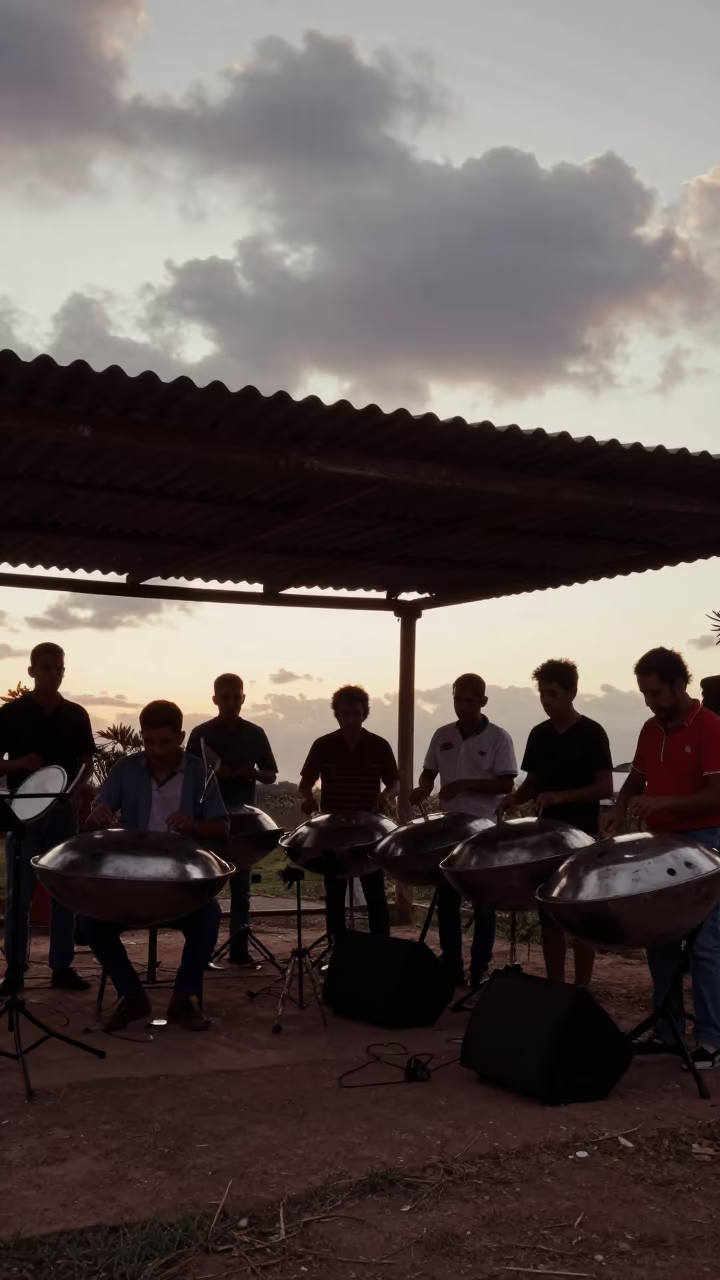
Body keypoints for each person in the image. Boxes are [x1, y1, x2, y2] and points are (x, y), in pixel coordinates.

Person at [601, 647, 720, 1070]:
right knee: (661, 937)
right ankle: (669, 1031)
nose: (650, 701)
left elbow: (716, 794)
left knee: (707, 944)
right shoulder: (651, 729)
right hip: (663, 843)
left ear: (678, 684)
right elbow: (636, 777)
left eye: (655, 692)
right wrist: (619, 806)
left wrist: (664, 801)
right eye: (644, 694)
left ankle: (711, 1039)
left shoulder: (709, 727)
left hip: (708, 843)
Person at [80, 700, 229, 1033]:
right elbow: (96, 819)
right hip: (134, 880)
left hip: (181, 885)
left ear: (181, 736)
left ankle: (182, 1000)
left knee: (208, 917)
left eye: (165, 742)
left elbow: (222, 828)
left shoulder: (199, 773)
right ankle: (132, 996)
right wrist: (96, 818)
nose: (156, 750)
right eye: (149, 741)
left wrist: (193, 825)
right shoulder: (126, 769)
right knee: (90, 922)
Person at [497, 659, 613, 986]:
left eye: (553, 693)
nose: (547, 700)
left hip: (582, 837)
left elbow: (605, 787)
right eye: (542, 694)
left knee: (580, 916)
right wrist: (514, 798)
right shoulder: (539, 735)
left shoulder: (592, 733)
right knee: (549, 915)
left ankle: (582, 989)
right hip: (546, 840)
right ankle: (555, 986)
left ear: (572, 692)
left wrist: (563, 797)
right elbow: (532, 783)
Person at [411, 673, 517, 988]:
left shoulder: (499, 737)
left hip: (483, 830)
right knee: (448, 901)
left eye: (469, 700)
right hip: (449, 830)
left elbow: (506, 783)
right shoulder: (442, 734)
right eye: (458, 699)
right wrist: (422, 788)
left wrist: (464, 784)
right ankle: (452, 965)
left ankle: (479, 968)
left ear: (483, 701)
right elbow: (429, 773)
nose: (462, 706)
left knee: (484, 904)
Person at [0, 642, 95, 996]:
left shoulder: (76, 714)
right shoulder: (10, 714)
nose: (54, 674)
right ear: (31, 671)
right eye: (46, 668)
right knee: (19, 896)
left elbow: (86, 760)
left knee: (63, 893)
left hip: (62, 814)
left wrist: (77, 789)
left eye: (59, 668)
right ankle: (15, 970)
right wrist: (19, 764)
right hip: (22, 817)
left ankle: (62, 967)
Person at [186, 674, 278, 965]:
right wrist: (215, 774)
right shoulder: (200, 733)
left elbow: (271, 773)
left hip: (244, 824)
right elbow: (188, 776)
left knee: (241, 891)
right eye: (224, 697)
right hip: (208, 821)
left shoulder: (255, 733)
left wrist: (251, 773)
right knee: (203, 890)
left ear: (243, 698)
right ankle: (199, 954)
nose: (230, 702)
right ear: (215, 699)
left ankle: (239, 951)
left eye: (235, 697)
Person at [298, 685, 399, 939]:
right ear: (337, 715)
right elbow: (305, 784)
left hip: (368, 829)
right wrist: (308, 799)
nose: (351, 719)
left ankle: (380, 950)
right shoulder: (323, 745)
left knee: (375, 892)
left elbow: (395, 784)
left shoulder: (379, 745)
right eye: (346, 714)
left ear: (365, 714)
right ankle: (337, 950)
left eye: (357, 714)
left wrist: (385, 796)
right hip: (334, 830)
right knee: (335, 894)